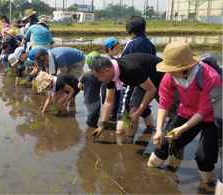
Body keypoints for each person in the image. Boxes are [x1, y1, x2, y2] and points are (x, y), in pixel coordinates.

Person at [147, 42, 222, 184]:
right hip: (187, 112)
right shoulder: (171, 76)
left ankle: (208, 186)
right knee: (163, 145)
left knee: (203, 158)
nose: (170, 73)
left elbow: (205, 109)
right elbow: (165, 101)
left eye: (173, 70)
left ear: (186, 66)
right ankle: (151, 182)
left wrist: (181, 129)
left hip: (212, 117)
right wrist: (158, 130)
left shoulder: (211, 77)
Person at [89, 53, 164, 141]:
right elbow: (109, 101)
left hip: (162, 79)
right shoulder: (110, 75)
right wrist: (102, 126)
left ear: (107, 70)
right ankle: (128, 142)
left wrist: (138, 114)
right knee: (133, 111)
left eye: (99, 77)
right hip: (145, 82)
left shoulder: (131, 68)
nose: (99, 80)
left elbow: (151, 90)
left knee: (174, 113)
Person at [117, 15, 157, 134]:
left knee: (125, 109)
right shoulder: (151, 44)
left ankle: (122, 137)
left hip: (133, 81)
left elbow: (122, 64)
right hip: (149, 82)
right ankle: (149, 128)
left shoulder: (132, 44)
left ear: (131, 30)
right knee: (143, 106)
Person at [78, 51, 102, 128]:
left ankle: (91, 128)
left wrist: (83, 88)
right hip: (97, 99)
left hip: (88, 100)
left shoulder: (85, 74)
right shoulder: (100, 75)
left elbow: (79, 86)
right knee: (96, 114)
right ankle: (95, 125)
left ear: (87, 64)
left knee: (89, 117)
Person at [101, 37, 121, 124]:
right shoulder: (112, 62)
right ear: (109, 50)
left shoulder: (103, 60)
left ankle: (108, 122)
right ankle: (110, 123)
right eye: (117, 48)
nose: (118, 50)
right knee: (112, 106)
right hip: (111, 87)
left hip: (107, 87)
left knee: (107, 103)